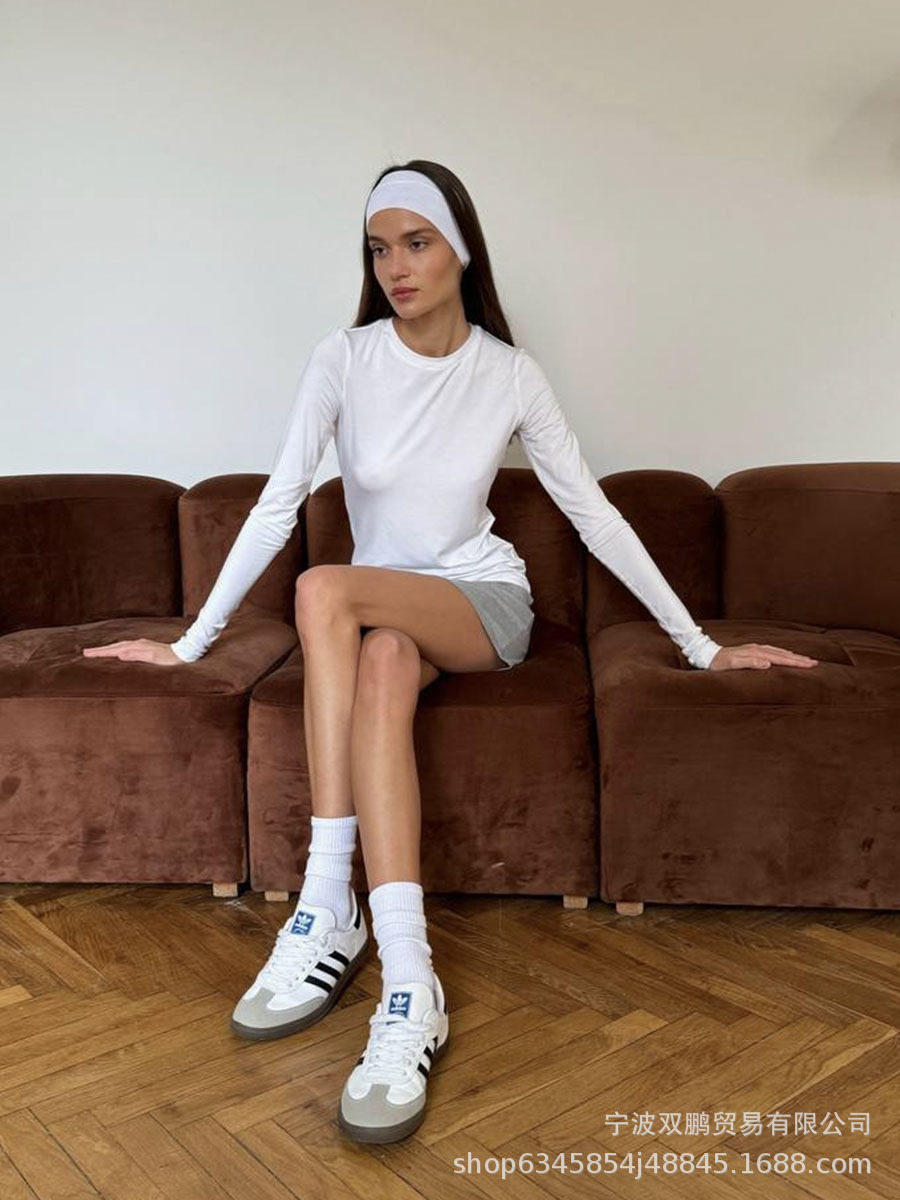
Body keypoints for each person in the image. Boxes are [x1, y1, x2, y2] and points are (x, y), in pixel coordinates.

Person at [82, 159, 818, 1143]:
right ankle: (409, 979)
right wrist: (190, 645)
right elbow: (277, 499)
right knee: (380, 659)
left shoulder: (508, 374)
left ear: (461, 250)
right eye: (379, 248)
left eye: (417, 242)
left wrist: (698, 644)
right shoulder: (344, 359)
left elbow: (592, 512)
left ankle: (324, 895)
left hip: (483, 604)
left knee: (323, 587)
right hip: (388, 616)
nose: (396, 266)